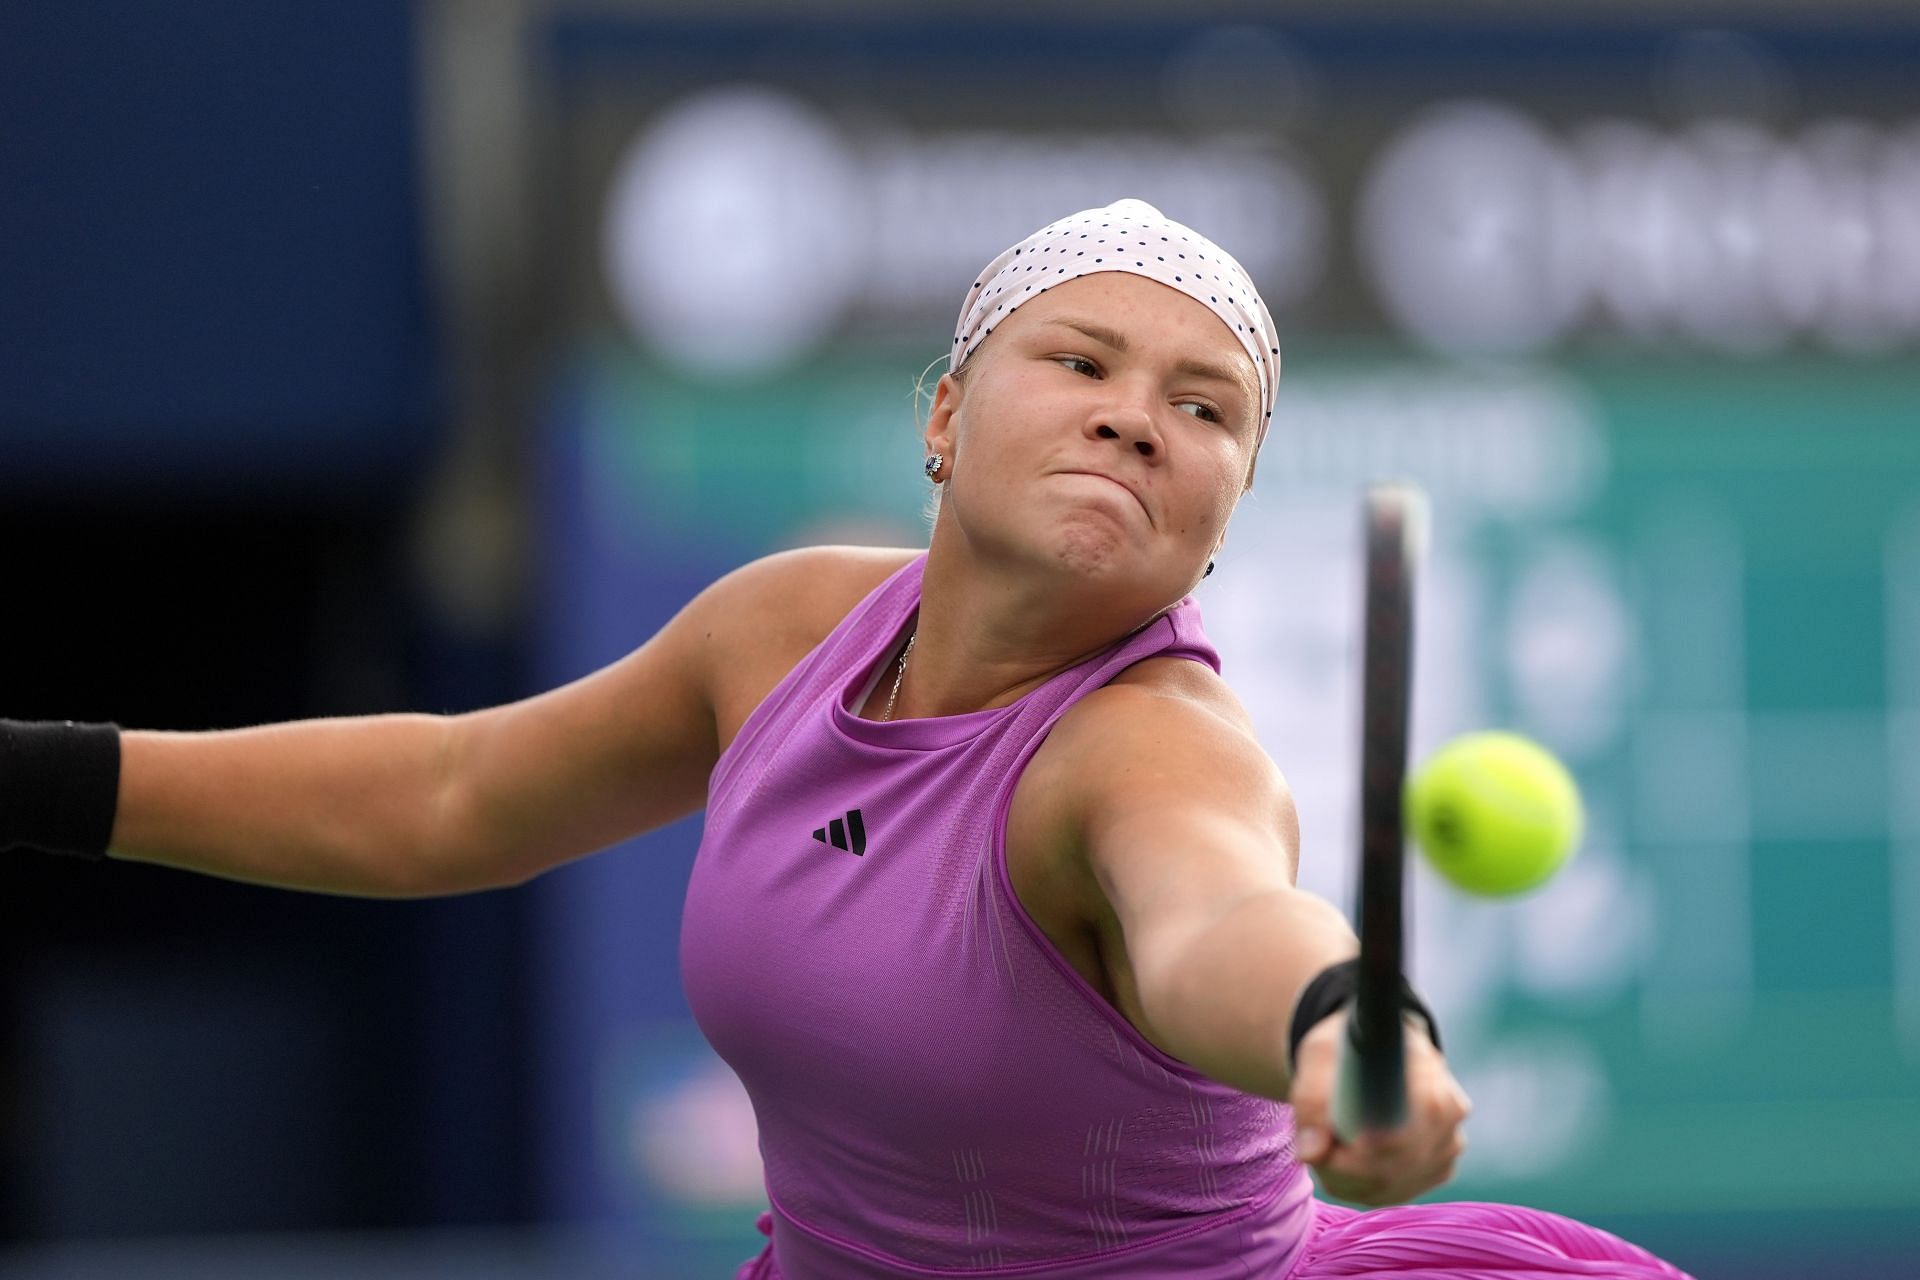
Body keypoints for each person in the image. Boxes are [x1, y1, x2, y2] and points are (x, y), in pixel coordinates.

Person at [2, 199, 1693, 1279]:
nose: (1136, 413)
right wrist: (37, 776)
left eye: (1205, 408)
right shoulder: (787, 627)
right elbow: (453, 795)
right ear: (945, 419)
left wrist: (1341, 1026)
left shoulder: (1155, 751)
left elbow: (1224, 921)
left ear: (1227, 506)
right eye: (1082, 360)